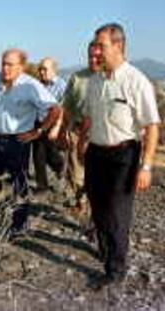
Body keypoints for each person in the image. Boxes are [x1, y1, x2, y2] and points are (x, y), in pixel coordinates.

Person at [78, 23, 160, 289]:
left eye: (101, 46)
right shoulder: (96, 80)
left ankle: (115, 270)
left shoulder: (136, 81)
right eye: (96, 46)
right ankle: (105, 250)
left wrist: (146, 166)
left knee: (117, 213)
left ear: (119, 46)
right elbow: (89, 116)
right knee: (98, 206)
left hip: (124, 155)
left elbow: (151, 126)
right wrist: (81, 142)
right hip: (96, 153)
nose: (97, 51)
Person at [0, 49, 61, 200]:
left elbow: (55, 109)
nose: (4, 69)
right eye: (3, 64)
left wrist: (39, 131)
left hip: (18, 141)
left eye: (10, 65)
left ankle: (18, 222)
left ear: (21, 67)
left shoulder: (30, 85)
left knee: (18, 185)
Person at [60, 41, 103, 213]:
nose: (93, 60)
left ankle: (96, 211)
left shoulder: (112, 78)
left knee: (98, 175)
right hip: (77, 131)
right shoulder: (77, 78)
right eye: (90, 56)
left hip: (102, 135)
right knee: (76, 171)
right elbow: (66, 106)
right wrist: (65, 130)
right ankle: (81, 201)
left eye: (97, 57)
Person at [32, 57, 67, 194]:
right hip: (38, 122)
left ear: (53, 70)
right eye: (40, 69)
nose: (41, 72)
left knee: (51, 153)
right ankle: (42, 187)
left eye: (45, 69)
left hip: (53, 123)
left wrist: (57, 127)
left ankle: (60, 167)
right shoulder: (37, 85)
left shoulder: (61, 86)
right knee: (38, 155)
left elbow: (63, 108)